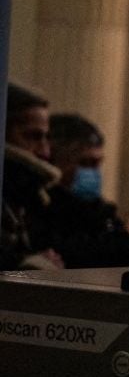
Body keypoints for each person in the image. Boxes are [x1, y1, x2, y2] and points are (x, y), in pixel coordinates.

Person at [28, 113, 129, 268]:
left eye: (98, 163)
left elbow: (128, 253)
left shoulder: (101, 210)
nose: (94, 171)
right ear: (54, 162)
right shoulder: (36, 208)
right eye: (86, 162)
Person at [1, 83, 62, 270]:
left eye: (46, 138)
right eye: (33, 136)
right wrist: (24, 267)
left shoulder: (29, 198)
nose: (45, 151)